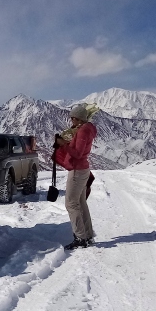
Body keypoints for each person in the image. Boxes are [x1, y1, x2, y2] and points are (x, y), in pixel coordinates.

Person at [54, 104, 97, 250]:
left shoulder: (83, 131)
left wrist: (63, 145)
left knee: (71, 204)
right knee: (80, 202)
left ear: (78, 118)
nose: (71, 120)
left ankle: (80, 237)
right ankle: (87, 235)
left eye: (73, 118)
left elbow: (77, 153)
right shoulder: (85, 129)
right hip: (83, 169)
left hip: (77, 170)